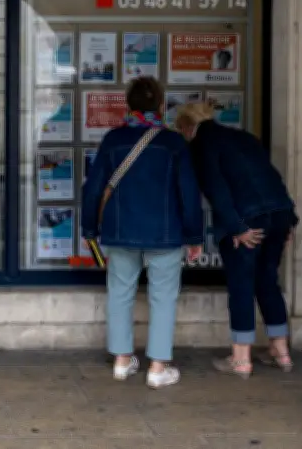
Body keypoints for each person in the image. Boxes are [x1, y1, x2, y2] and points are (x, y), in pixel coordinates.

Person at [81, 77, 204, 389]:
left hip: (120, 232)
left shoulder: (113, 140)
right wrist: (194, 237)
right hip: (165, 235)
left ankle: (122, 361)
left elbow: (93, 187)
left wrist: (89, 229)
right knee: (163, 298)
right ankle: (158, 367)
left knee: (120, 294)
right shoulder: (173, 143)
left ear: (129, 104)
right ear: (161, 106)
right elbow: (188, 193)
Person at [175, 102, 298, 377]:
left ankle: (241, 358)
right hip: (279, 213)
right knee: (267, 279)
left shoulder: (202, 145)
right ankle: (281, 350)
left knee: (241, 283)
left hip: (247, 220)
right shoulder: (245, 137)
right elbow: (273, 177)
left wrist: (236, 227)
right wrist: (288, 220)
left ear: (187, 126)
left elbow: (216, 189)